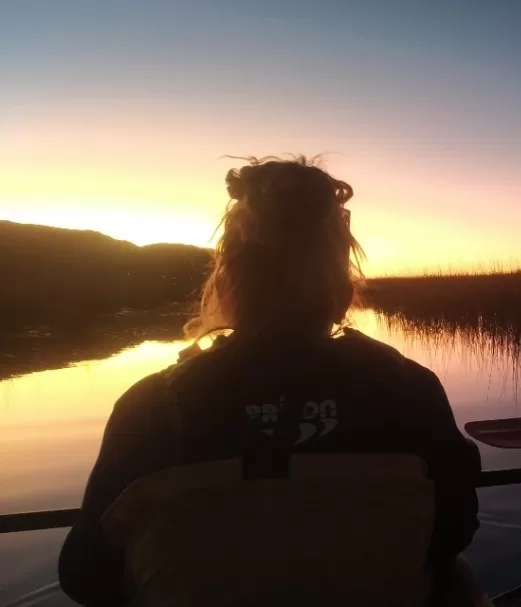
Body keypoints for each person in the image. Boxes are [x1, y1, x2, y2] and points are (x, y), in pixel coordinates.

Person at [58, 156, 483, 606]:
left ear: (231, 272)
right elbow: (455, 529)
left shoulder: (153, 407)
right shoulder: (411, 391)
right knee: (458, 579)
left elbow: (85, 574)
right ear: (339, 275)